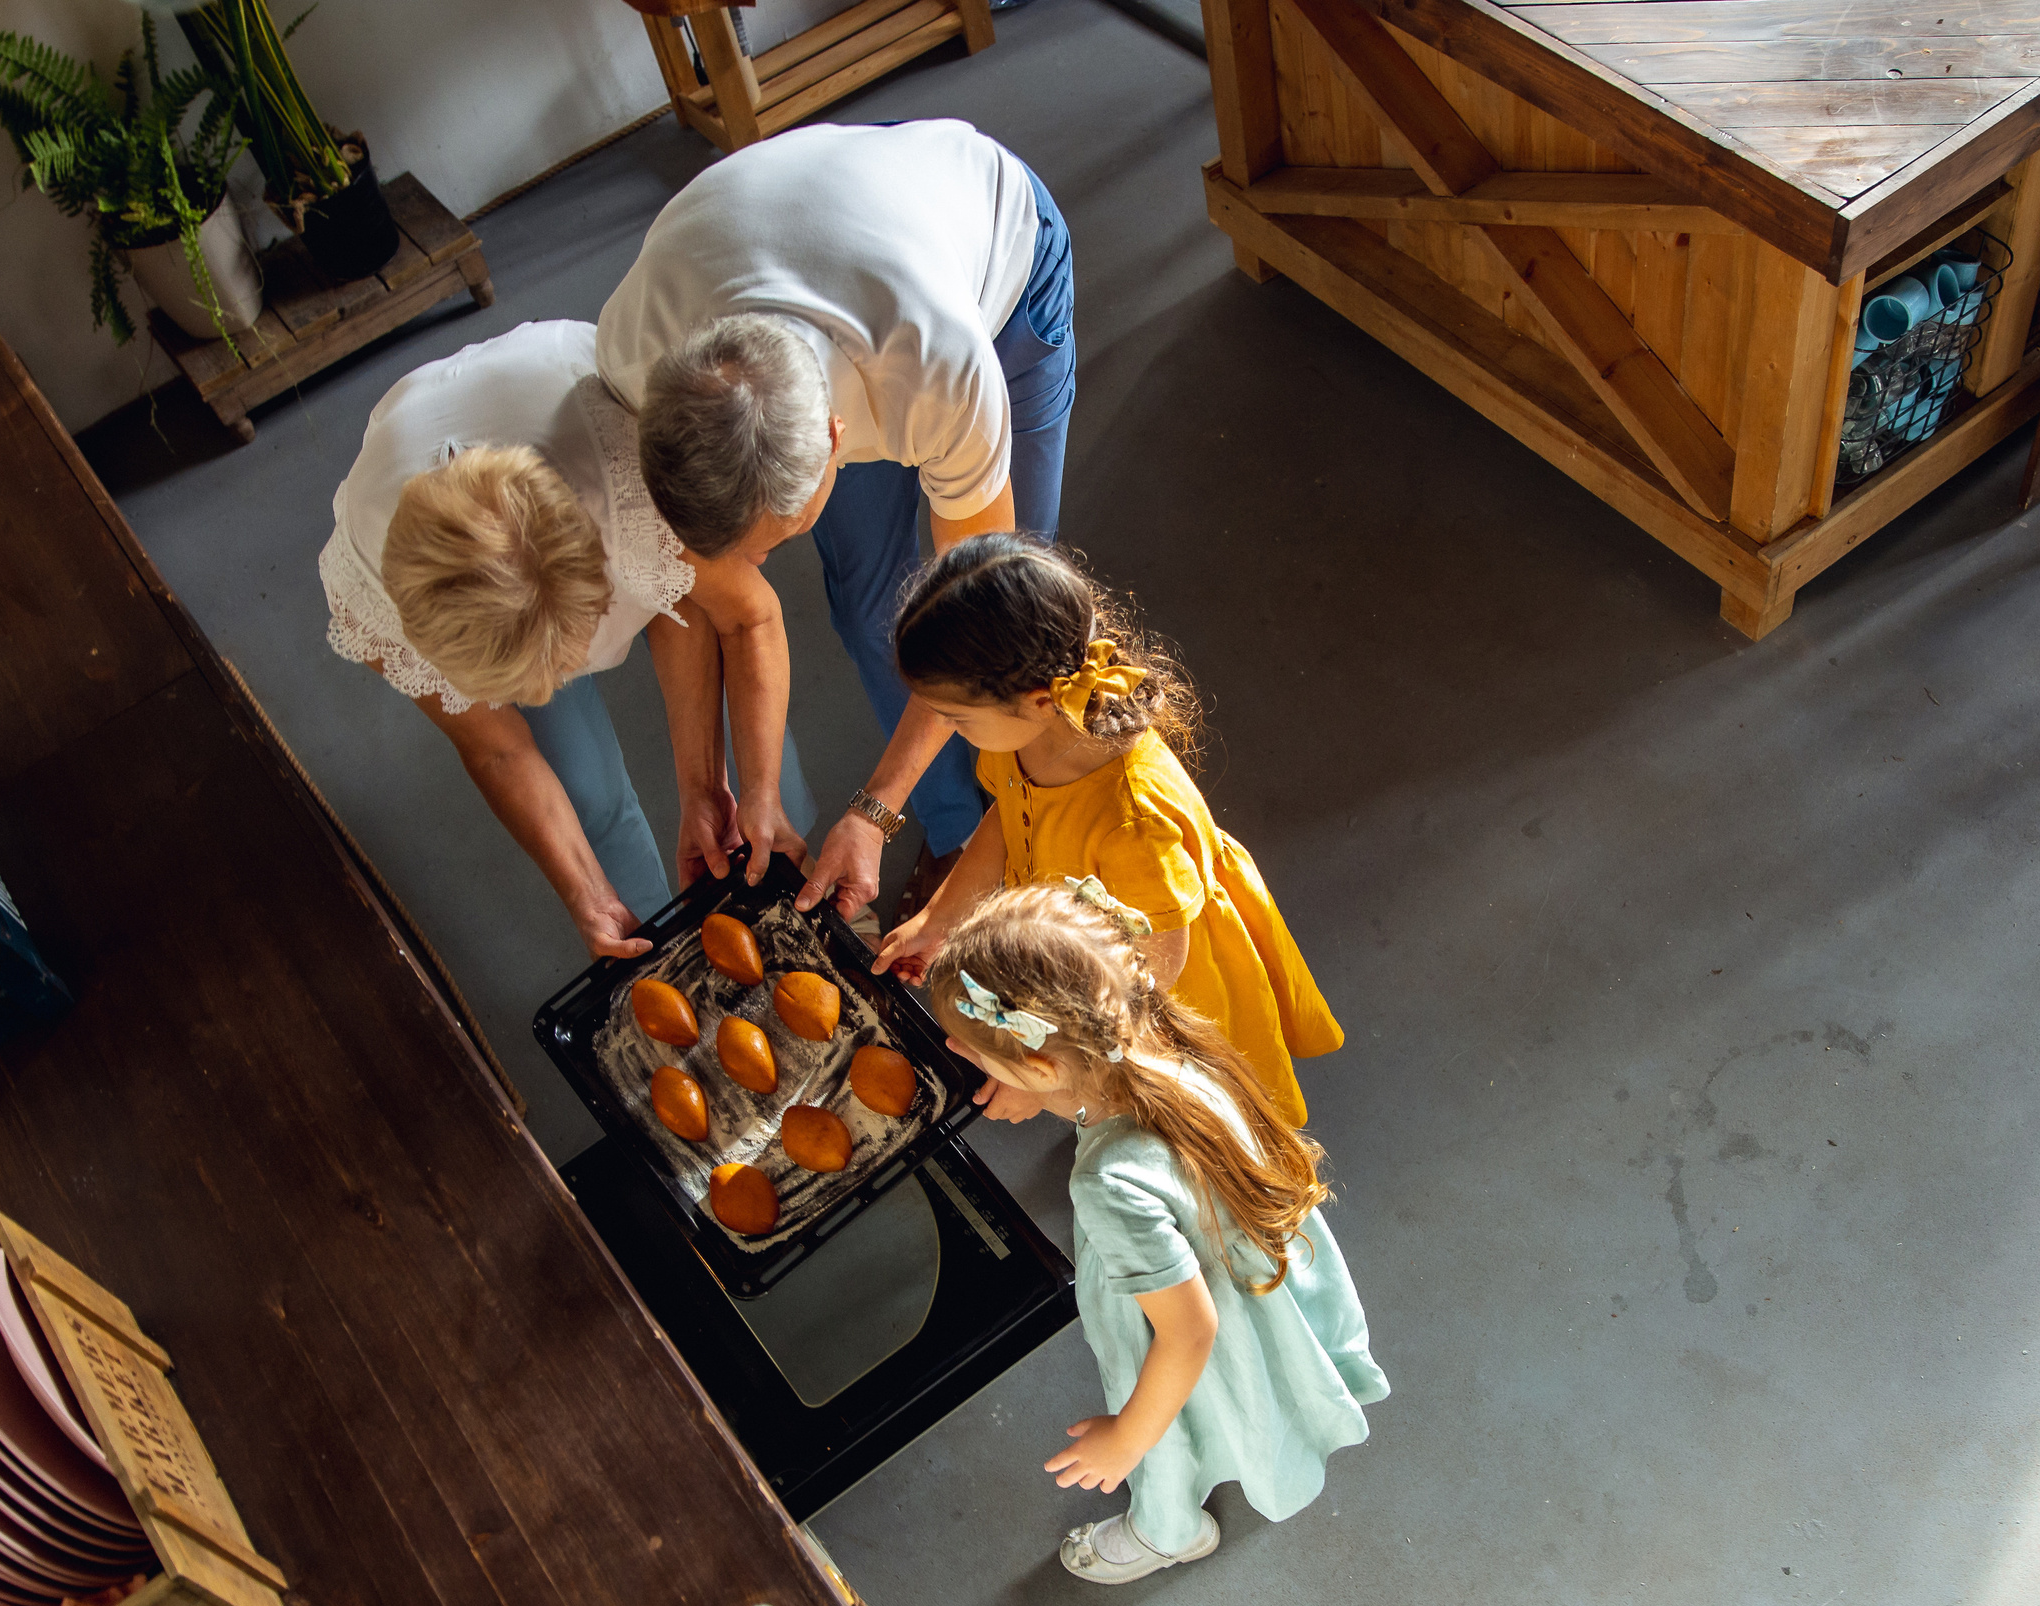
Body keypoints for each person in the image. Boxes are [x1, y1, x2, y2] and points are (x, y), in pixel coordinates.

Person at [594, 119, 1077, 925]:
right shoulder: (637, 356)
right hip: (798, 228)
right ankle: (956, 828)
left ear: (834, 442)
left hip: (995, 251)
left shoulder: (939, 370)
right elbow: (696, 596)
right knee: (867, 607)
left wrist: (873, 808)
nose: (756, 571)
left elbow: (978, 621)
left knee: (1011, 632)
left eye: (772, 543)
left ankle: (1019, 836)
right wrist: (710, 787)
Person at [925, 883, 1387, 1583]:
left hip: (1188, 1327)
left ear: (1044, 1064)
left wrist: (1123, 1439)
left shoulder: (1106, 1183)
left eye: (979, 1057)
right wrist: (1038, 1084)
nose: (961, 1057)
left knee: (1166, 1431)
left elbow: (1188, 1335)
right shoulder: (1164, 1043)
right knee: (1247, 1390)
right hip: (1249, 1273)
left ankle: (1167, 1527)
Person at [318, 319, 816, 960]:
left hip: (592, 457)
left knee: (756, 764)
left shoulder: (636, 468)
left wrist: (706, 784)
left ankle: (796, 888)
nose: (563, 678)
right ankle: (654, 949)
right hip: (455, 535)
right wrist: (586, 895)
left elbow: (733, 617)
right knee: (585, 787)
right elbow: (498, 750)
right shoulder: (370, 594)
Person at [873, 533, 1343, 1124]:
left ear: (1038, 700)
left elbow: (1146, 982)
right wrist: (939, 919)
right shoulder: (1026, 736)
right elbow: (1009, 817)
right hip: (1084, 970)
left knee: (1176, 1121)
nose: (947, 728)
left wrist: (1053, 1075)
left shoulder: (1134, 823)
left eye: (957, 717)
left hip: (1145, 1006)